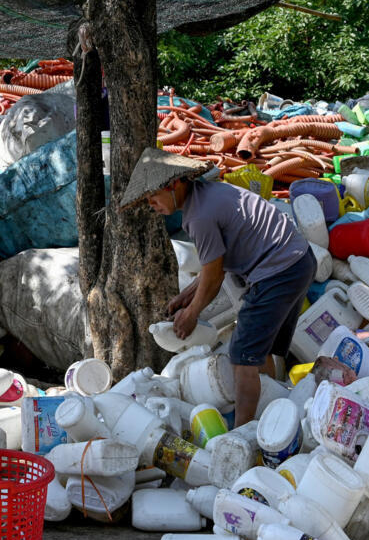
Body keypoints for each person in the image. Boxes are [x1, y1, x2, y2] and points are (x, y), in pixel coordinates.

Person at [121, 147, 316, 425]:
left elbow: (214, 278)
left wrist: (191, 314)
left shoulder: (199, 217)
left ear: (173, 185)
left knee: (242, 356)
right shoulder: (207, 195)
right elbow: (215, 265)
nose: (152, 205)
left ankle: (242, 433)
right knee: (258, 349)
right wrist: (187, 296)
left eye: (153, 197)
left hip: (278, 271)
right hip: (299, 260)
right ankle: (272, 414)